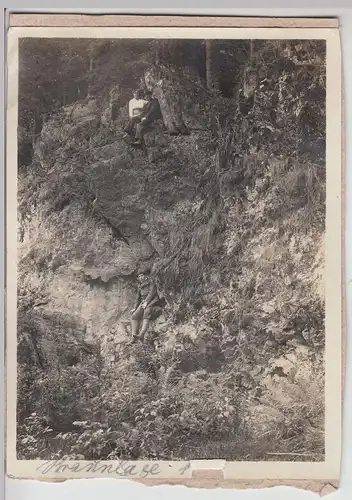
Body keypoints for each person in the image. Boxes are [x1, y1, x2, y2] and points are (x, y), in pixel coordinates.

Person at [129, 272, 163, 343]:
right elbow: (138, 298)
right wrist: (135, 308)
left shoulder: (151, 282)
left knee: (146, 312)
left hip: (153, 301)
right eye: (139, 276)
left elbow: (151, 293)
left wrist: (146, 302)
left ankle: (142, 334)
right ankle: (133, 338)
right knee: (134, 316)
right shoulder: (140, 286)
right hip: (144, 303)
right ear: (138, 278)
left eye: (142, 275)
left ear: (145, 276)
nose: (141, 277)